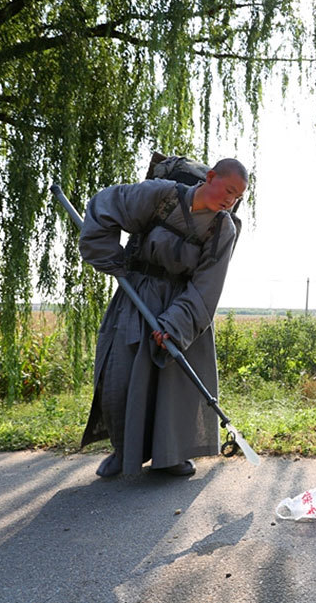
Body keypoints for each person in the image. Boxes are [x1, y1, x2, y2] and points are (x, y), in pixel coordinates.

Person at [78, 159, 248, 478]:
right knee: (121, 377)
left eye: (237, 196)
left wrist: (175, 325)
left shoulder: (223, 228)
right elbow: (106, 205)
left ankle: (172, 456)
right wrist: (111, 260)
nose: (230, 200)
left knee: (175, 385)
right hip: (136, 295)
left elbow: (208, 285)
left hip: (183, 303)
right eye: (228, 190)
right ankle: (123, 451)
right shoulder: (162, 195)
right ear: (210, 177)